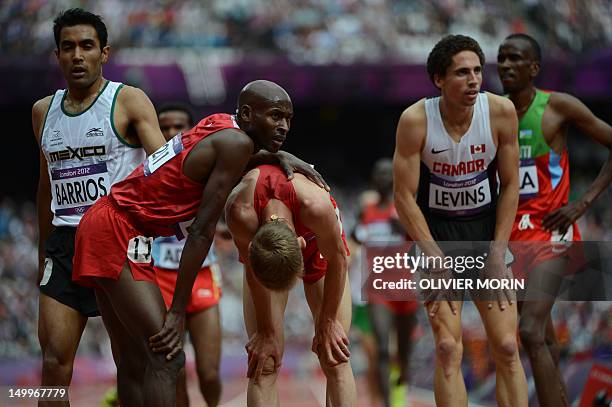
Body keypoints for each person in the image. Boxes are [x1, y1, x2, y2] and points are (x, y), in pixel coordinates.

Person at [72, 80, 323, 407]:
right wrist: (177, 312)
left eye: (288, 118)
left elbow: (225, 157)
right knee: (167, 356)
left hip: (108, 221)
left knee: (134, 363)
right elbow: (201, 231)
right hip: (118, 230)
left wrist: (278, 156)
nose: (284, 126)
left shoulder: (222, 124)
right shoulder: (236, 144)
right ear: (247, 114)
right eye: (275, 116)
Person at [32, 8, 166, 406]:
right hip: (66, 243)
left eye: (86, 46)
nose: (77, 55)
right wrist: (43, 254)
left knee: (133, 360)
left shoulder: (128, 100)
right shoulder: (43, 111)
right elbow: (45, 189)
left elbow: (164, 170)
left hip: (119, 241)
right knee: (54, 364)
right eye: (68, 47)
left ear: (104, 53)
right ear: (57, 55)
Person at [392, 35, 528, 407]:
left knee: (505, 346)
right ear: (439, 79)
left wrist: (499, 253)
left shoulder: (500, 112)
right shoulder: (416, 120)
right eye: (462, 72)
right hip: (438, 236)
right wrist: (433, 257)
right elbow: (403, 197)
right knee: (449, 347)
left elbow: (511, 184)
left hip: (485, 235)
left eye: (478, 71)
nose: (473, 80)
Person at [497, 33, 612, 407]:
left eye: (515, 59)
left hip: (551, 235)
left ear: (534, 68)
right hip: (513, 241)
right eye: (501, 58)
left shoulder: (556, 106)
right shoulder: (492, 112)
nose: (506, 65)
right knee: (541, 338)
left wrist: (584, 202)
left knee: (529, 330)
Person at [225, 164, 357, 406]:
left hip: (317, 238)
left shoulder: (317, 206)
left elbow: (338, 260)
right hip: (266, 245)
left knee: (335, 354)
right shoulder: (240, 212)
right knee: (264, 362)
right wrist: (265, 331)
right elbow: (254, 274)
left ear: (300, 245)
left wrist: (327, 322)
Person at [154, 103, 222, 407]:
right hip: (161, 278)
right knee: (174, 369)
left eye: (178, 126)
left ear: (191, 131)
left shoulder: (208, 168)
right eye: (164, 127)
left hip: (202, 274)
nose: (170, 133)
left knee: (208, 372)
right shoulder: (147, 169)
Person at [354, 158, 419, 407]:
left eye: (387, 174)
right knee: (382, 349)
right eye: (379, 174)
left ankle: (402, 371)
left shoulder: (405, 208)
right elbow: (353, 240)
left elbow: (423, 239)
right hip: (378, 288)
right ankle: (388, 403)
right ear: (374, 180)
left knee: (403, 352)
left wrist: (403, 225)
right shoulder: (366, 213)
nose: (383, 178)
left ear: (394, 179)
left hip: (405, 288)